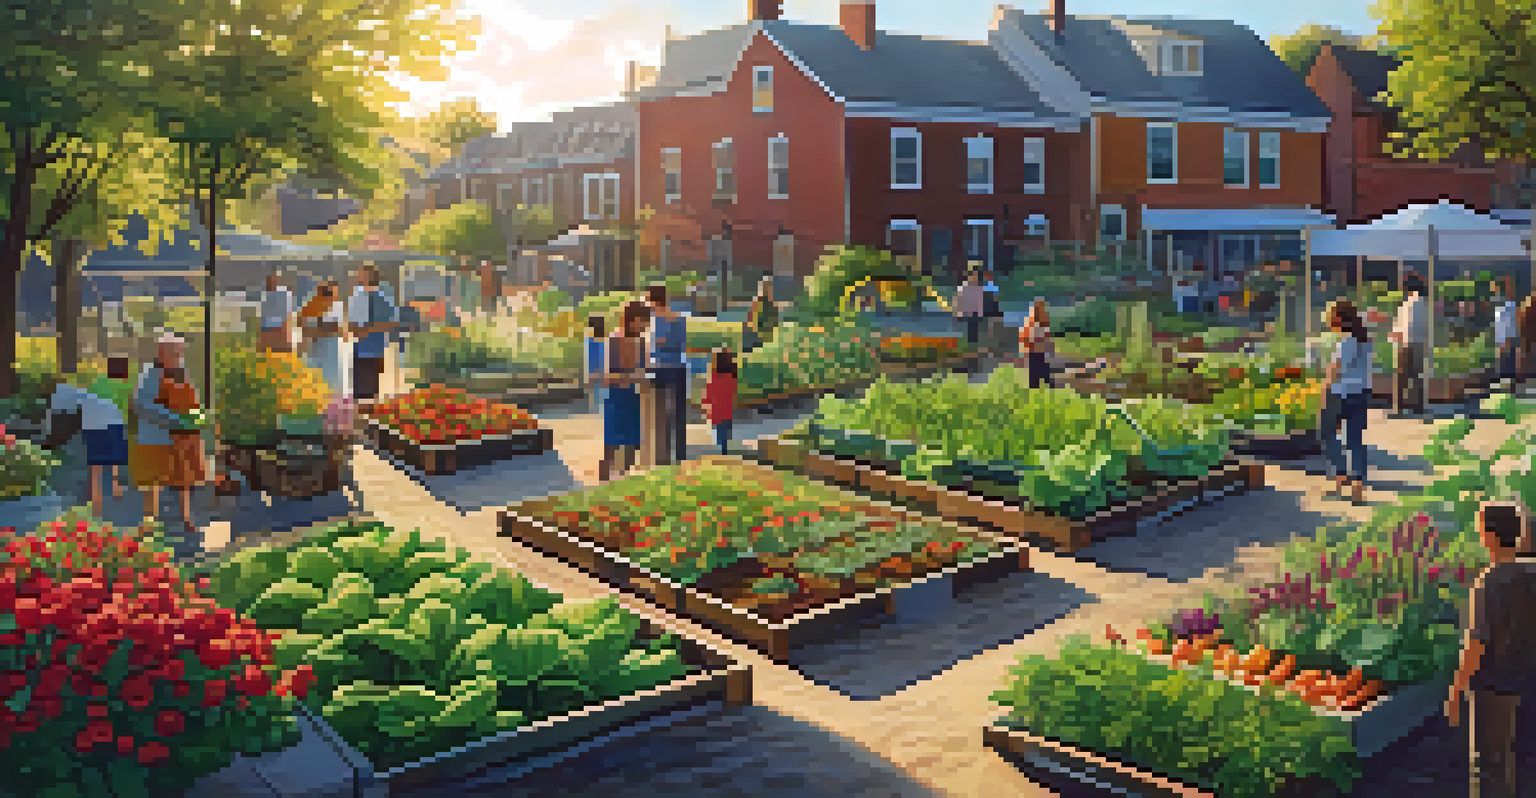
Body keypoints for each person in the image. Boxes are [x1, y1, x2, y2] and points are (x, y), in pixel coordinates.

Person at [1446, 501, 1536, 797]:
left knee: (1490, 770)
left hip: (1494, 690)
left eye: (1481, 526)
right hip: (1528, 683)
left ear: (1491, 536)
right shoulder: (1531, 574)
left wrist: (1457, 689)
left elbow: (1477, 643)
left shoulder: (1491, 581)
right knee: (1523, 765)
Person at [41, 365, 129, 519]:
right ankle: (114, 488)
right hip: (114, 422)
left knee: (96, 465)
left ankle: (95, 505)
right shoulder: (123, 386)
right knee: (115, 458)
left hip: (93, 423)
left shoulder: (95, 384)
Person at [132, 335, 196, 530]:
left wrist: (197, 416)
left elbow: (190, 400)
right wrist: (175, 418)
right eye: (175, 352)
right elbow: (141, 405)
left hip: (181, 437)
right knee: (153, 482)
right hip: (155, 437)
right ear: (162, 353)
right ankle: (149, 524)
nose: (179, 356)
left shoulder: (181, 372)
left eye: (180, 352)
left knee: (184, 479)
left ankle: (185, 519)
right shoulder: (151, 375)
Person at [1320, 301, 1373, 505]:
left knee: (1328, 435)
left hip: (1341, 393)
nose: (1329, 321)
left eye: (1332, 317)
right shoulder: (1365, 341)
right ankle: (1357, 486)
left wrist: (1325, 388)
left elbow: (1336, 369)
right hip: (1361, 393)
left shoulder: (1347, 342)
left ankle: (1341, 478)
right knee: (1355, 440)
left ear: (1341, 319)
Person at [599, 301, 650, 482]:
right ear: (632, 319)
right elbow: (606, 377)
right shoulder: (614, 340)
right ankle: (604, 482)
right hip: (616, 397)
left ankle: (622, 480)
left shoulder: (641, 342)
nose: (646, 325)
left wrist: (643, 377)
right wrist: (631, 376)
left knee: (633, 444)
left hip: (633, 397)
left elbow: (644, 370)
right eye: (643, 321)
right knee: (611, 445)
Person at [156, 366, 206, 531]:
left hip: (170, 437)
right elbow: (199, 417)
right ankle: (186, 518)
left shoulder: (164, 390)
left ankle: (155, 517)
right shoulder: (191, 390)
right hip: (190, 437)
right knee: (184, 481)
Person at [644, 284, 689, 466]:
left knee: (672, 413)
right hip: (671, 367)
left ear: (654, 299)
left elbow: (678, 345)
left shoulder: (660, 320)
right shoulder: (671, 319)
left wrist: (659, 342)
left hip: (665, 368)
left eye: (648, 299)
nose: (647, 303)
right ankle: (668, 454)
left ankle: (677, 455)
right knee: (667, 413)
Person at [348, 266, 399, 402]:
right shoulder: (358, 296)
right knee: (360, 392)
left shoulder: (382, 298)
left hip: (374, 351)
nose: (359, 278)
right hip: (360, 349)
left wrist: (368, 329)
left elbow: (391, 323)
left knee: (370, 391)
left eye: (362, 276)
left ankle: (369, 417)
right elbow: (352, 324)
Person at [300, 280, 352, 402]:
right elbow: (304, 328)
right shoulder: (312, 306)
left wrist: (323, 330)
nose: (330, 296)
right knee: (318, 379)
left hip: (333, 349)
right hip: (318, 348)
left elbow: (342, 331)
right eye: (327, 292)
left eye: (332, 292)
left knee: (334, 382)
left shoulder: (338, 307)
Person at [1389, 272, 1430, 418]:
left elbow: (1404, 325)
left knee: (1401, 377)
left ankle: (1398, 409)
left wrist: (1395, 336)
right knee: (1417, 377)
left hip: (1406, 344)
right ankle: (1418, 407)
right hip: (1419, 343)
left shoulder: (1409, 304)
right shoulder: (1424, 303)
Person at [702, 347, 738, 456]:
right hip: (728, 408)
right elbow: (734, 391)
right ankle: (724, 449)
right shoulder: (731, 377)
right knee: (726, 430)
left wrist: (705, 404)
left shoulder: (714, 377)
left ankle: (722, 450)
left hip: (717, 409)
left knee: (720, 431)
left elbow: (708, 392)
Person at [1018, 300, 1055, 389]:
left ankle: (1044, 386)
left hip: (1038, 351)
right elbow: (1027, 338)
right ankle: (1039, 387)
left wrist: (1048, 346)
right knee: (1038, 372)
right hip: (1035, 351)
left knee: (1042, 371)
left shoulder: (1039, 321)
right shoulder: (1032, 323)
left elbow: (1045, 337)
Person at [259, 274, 295, 354]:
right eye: (269, 281)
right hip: (269, 325)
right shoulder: (266, 295)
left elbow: (286, 311)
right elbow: (265, 312)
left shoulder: (282, 294)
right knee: (268, 348)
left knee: (281, 347)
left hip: (278, 325)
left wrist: (285, 325)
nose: (271, 284)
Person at [1493, 279, 1520, 387]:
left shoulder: (1509, 307)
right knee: (1504, 367)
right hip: (1502, 342)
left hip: (1507, 342)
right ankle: (1506, 383)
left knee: (1508, 366)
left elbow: (1509, 326)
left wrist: (1505, 342)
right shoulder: (1501, 308)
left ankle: (1509, 385)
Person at [743, 278, 778, 354]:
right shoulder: (759, 303)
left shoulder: (770, 305)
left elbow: (775, 321)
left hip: (762, 336)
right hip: (757, 335)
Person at [586, 315, 608, 414]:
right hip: (600, 372)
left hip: (600, 372)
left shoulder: (594, 341)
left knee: (600, 399)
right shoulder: (602, 340)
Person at [956, 272, 985, 346]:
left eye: (976, 276)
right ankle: (967, 342)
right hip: (967, 310)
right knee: (965, 327)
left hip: (974, 311)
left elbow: (980, 301)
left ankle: (973, 343)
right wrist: (959, 310)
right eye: (973, 276)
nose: (974, 278)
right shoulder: (964, 287)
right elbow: (960, 299)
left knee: (974, 327)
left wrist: (980, 312)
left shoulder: (978, 287)